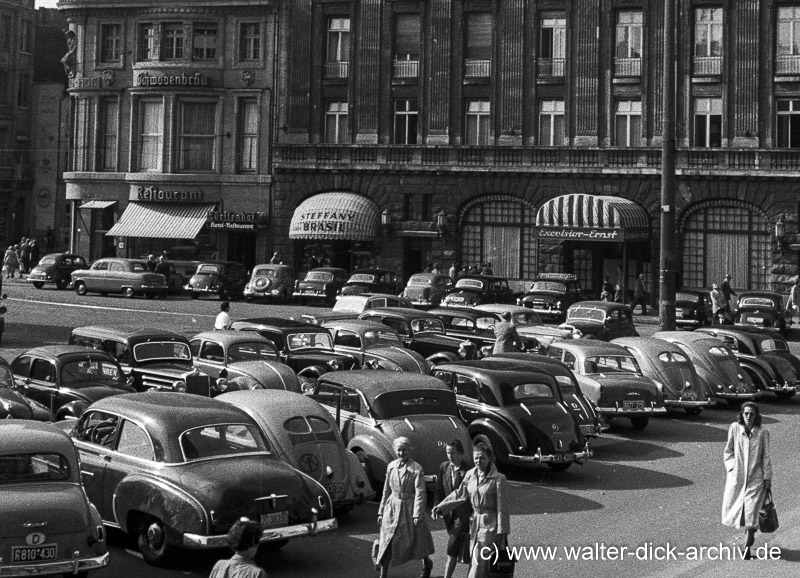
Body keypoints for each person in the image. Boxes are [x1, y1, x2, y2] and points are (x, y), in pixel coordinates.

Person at [433, 443, 510, 578]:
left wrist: (502, 532)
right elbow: (459, 494)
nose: (478, 461)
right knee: (478, 561)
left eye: (482, 458)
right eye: (476, 458)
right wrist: (441, 507)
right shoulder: (470, 475)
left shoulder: (499, 479)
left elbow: (502, 507)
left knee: (479, 562)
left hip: (490, 526)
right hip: (474, 525)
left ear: (489, 459)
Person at [376, 437, 435, 578]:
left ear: (409, 450)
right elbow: (386, 490)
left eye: (404, 450)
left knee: (418, 541)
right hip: (392, 508)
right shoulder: (391, 466)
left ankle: (427, 563)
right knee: (387, 541)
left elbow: (420, 493)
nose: (401, 453)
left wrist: (417, 514)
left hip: (410, 508)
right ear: (395, 450)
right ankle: (383, 575)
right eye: (399, 450)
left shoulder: (416, 469)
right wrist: (381, 512)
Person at [721, 402, 772, 560]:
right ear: (741, 415)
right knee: (739, 511)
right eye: (746, 413)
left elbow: (766, 456)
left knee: (751, 514)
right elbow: (728, 451)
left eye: (751, 414)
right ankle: (748, 540)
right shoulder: (734, 428)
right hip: (738, 478)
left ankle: (747, 547)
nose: (748, 416)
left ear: (756, 417)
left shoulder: (762, 433)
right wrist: (731, 468)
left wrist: (767, 477)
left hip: (756, 480)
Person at [434, 440, 472, 578]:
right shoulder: (444, 467)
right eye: (448, 453)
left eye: (453, 453)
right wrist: (437, 506)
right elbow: (439, 490)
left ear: (461, 453)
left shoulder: (469, 470)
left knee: (452, 545)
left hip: (463, 516)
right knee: (461, 547)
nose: (450, 456)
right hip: (449, 516)